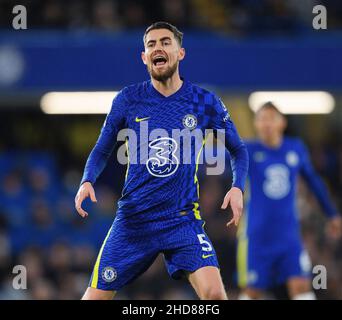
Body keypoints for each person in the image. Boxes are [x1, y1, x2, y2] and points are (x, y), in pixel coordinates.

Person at [75, 22, 249, 300]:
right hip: (134, 221)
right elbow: (102, 149)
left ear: (181, 52)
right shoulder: (128, 99)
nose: (158, 47)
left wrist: (237, 186)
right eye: (151, 44)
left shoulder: (204, 102)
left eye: (166, 42)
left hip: (181, 220)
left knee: (215, 295)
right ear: (144, 57)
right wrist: (87, 179)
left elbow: (238, 149)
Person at [237, 102, 342, 300]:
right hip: (257, 236)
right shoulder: (247, 150)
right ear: (256, 124)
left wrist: (332, 214)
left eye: (271, 118)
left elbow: (314, 182)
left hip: (288, 236)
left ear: (282, 123)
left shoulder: (295, 148)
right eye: (261, 119)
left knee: (300, 286)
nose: (266, 124)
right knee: (253, 292)